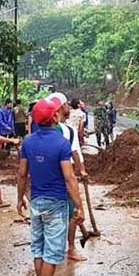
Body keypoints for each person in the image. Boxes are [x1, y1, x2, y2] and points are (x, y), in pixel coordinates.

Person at [17, 97, 85, 276]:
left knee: (38, 249)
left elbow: (22, 173)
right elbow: (69, 177)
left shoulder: (28, 142)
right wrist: (79, 204)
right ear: (54, 117)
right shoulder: (61, 144)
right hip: (56, 203)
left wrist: (19, 198)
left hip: (36, 202)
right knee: (53, 252)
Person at [50, 93, 91, 261]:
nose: (68, 107)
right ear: (61, 108)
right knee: (74, 210)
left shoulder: (39, 129)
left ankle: (51, 249)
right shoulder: (67, 131)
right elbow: (75, 153)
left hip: (44, 179)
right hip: (64, 177)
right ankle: (71, 248)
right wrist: (82, 172)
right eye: (65, 104)